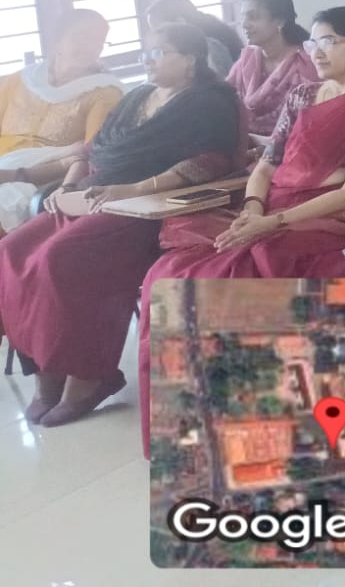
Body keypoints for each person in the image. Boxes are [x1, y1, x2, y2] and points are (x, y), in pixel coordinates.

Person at [139, 9, 345, 439]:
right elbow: (267, 165)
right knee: (173, 270)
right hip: (271, 204)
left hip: (330, 213)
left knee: (250, 264)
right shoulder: (303, 95)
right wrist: (253, 209)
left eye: (329, 42)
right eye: (313, 43)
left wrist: (272, 222)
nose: (317, 51)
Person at [0, 23, 241, 426]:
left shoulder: (210, 102)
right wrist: (69, 186)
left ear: (190, 59)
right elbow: (93, 150)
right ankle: (48, 370)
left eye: (159, 52)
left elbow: (208, 163)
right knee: (11, 251)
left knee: (61, 257)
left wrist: (131, 189)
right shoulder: (138, 97)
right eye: (146, 52)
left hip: (145, 208)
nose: (148, 60)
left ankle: (90, 376)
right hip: (93, 193)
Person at [0, 10, 125, 234]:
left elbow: (90, 156)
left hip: (40, 182)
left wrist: (12, 175)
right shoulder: (18, 80)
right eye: (81, 37)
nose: (90, 47)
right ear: (56, 41)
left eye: (98, 41)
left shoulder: (105, 93)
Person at [227, 0, 317, 137]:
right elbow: (225, 99)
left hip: (294, 145)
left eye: (253, 17)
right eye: (243, 17)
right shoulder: (247, 60)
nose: (244, 24)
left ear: (280, 21)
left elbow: (312, 124)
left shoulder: (305, 64)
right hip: (245, 145)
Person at [146, 0, 242, 76]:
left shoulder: (210, 49)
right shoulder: (182, 49)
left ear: (180, 23)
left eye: (158, 29)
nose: (155, 35)